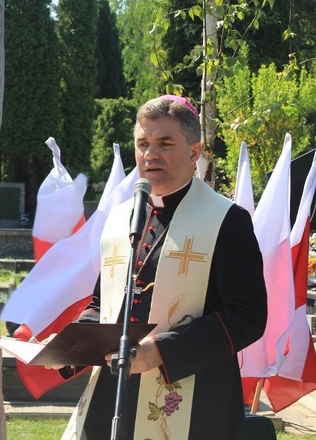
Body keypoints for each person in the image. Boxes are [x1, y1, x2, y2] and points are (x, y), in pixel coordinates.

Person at [51, 95, 267, 439]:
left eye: (164, 144)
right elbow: (103, 302)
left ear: (194, 153)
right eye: (143, 143)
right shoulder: (124, 217)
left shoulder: (227, 220)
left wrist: (162, 350)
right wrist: (70, 346)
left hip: (194, 395)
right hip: (115, 390)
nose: (150, 154)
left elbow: (248, 316)